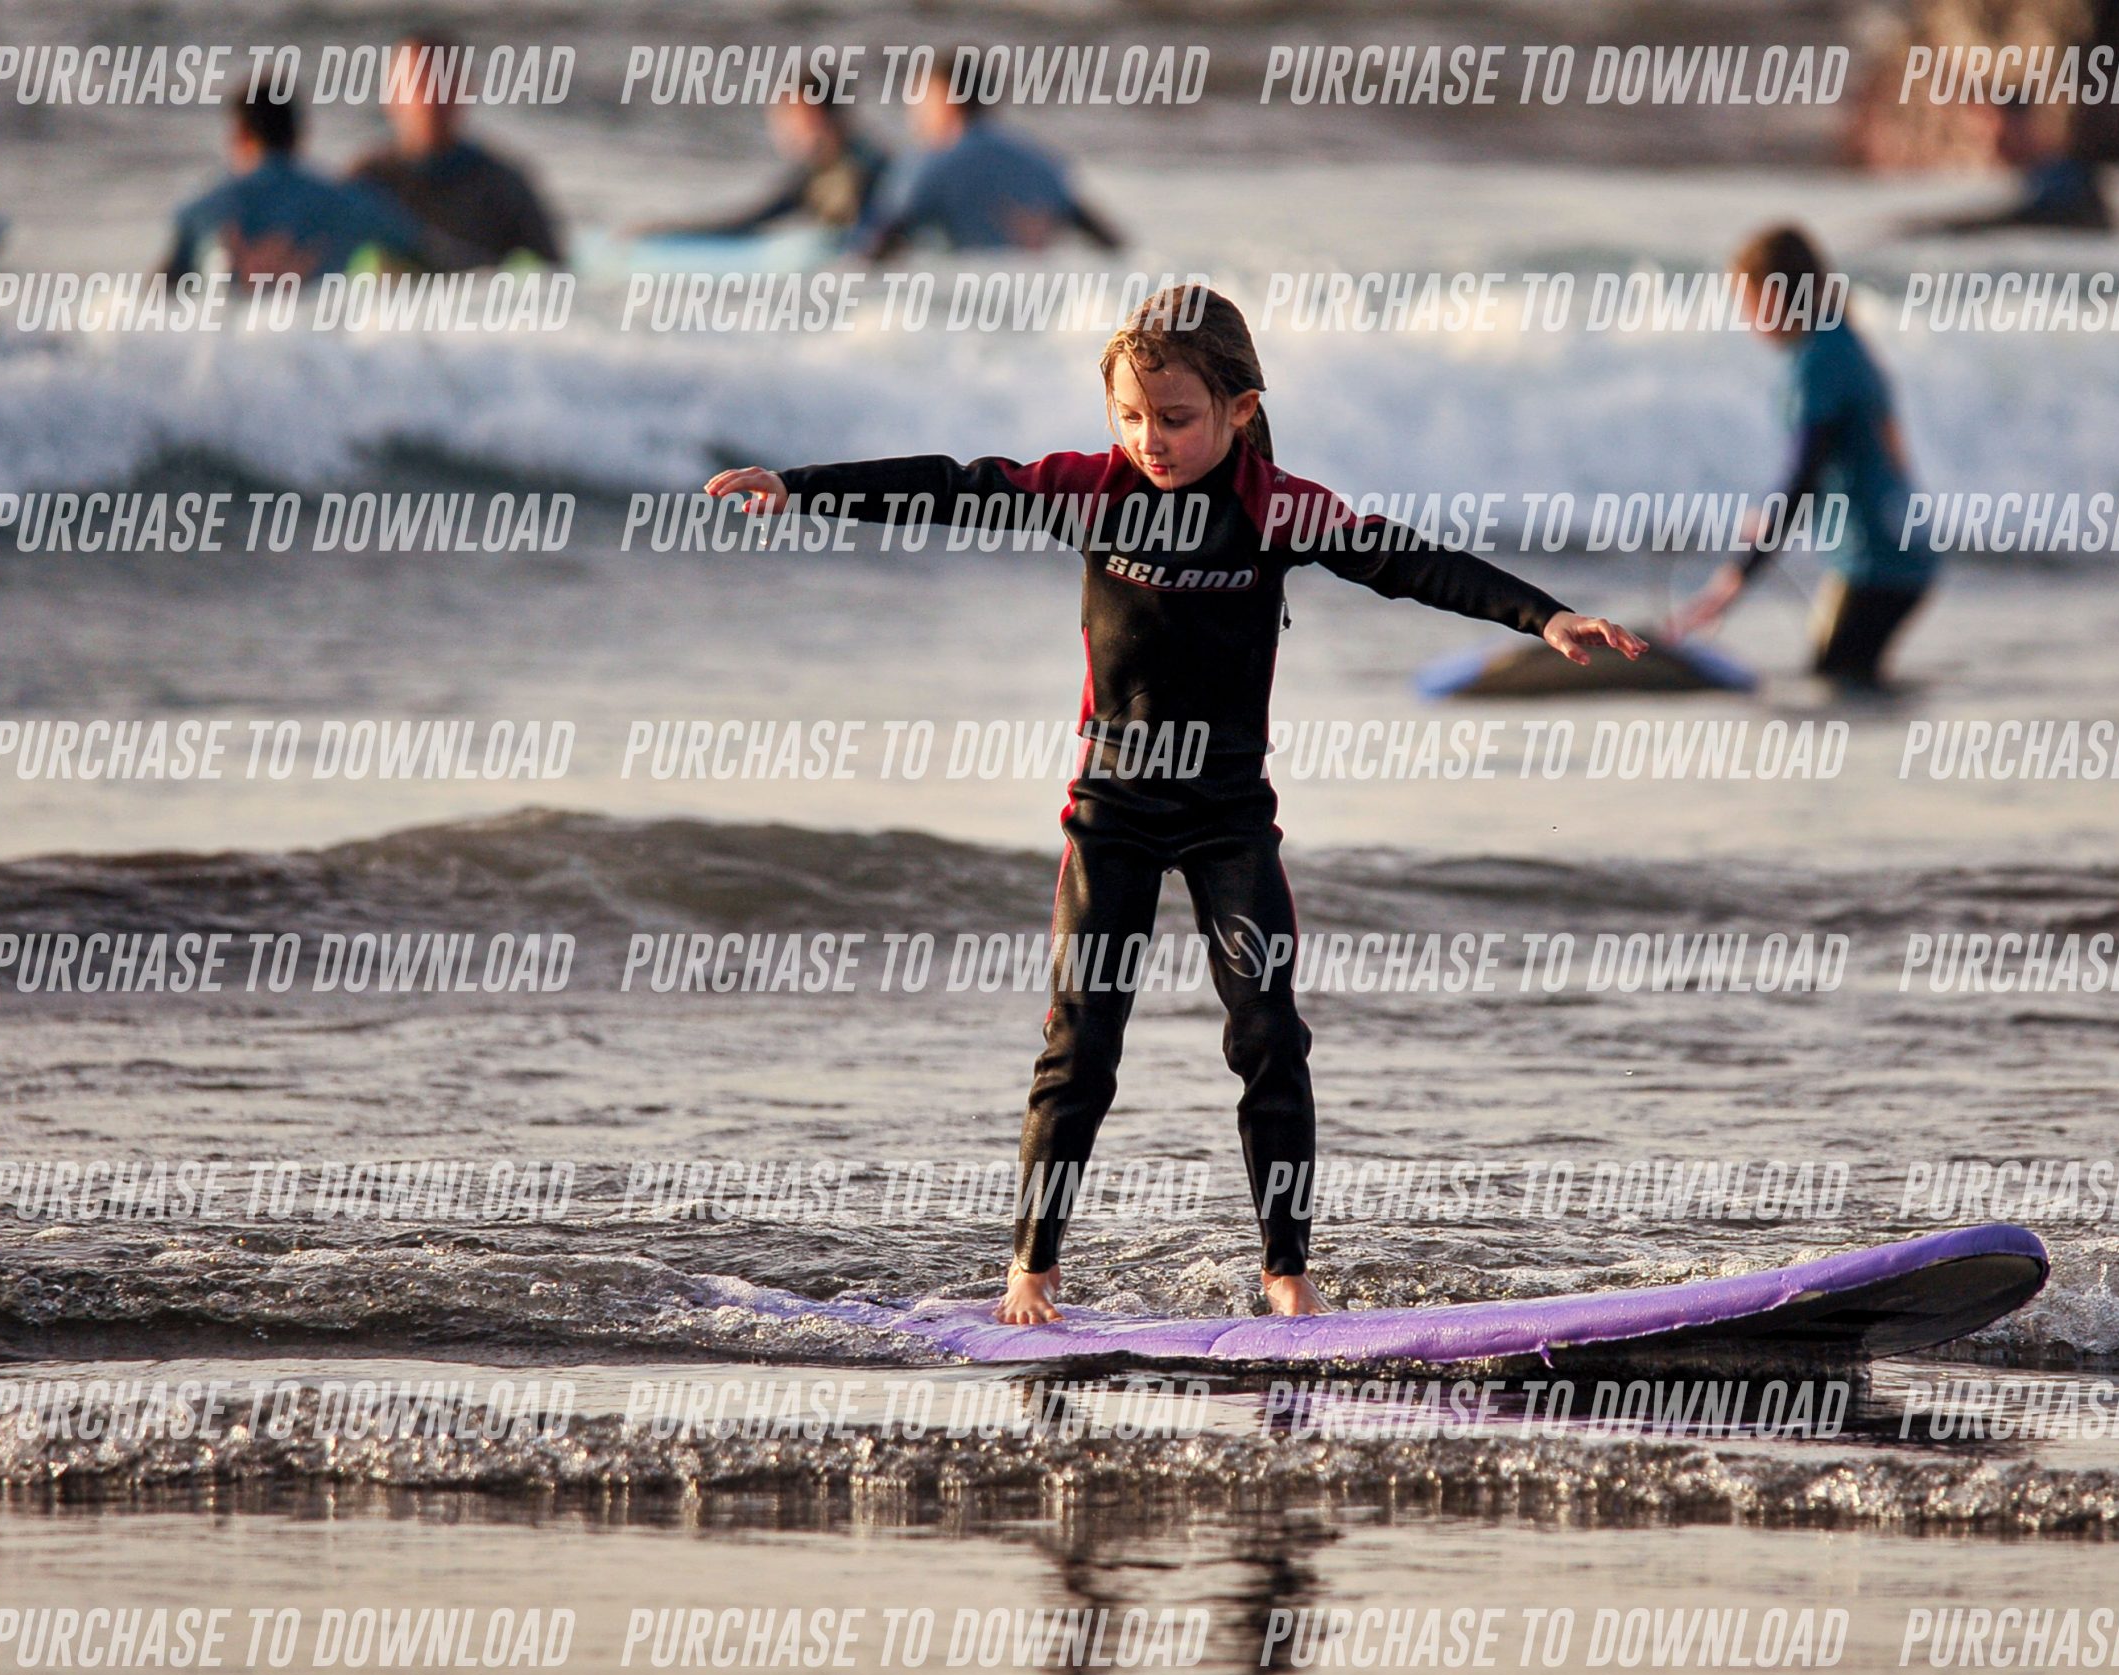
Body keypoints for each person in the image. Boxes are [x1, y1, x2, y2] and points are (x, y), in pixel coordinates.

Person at [704, 287, 1645, 1323]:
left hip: (1228, 814)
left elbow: (1405, 558)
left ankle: (1286, 1276)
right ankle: (1030, 1275)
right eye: (1130, 416)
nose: (1149, 439)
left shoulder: (1273, 506)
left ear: (1240, 409)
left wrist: (1542, 615)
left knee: (1269, 1034)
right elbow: (952, 484)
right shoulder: (1091, 489)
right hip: (1110, 809)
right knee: (1082, 1042)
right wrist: (798, 486)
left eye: (1176, 418)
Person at [1668, 226, 1939, 689]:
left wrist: (1738, 575)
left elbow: (1804, 476)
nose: (1746, 319)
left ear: (1774, 297)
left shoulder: (1819, 360)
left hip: (1876, 564)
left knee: (1835, 689)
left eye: (1747, 303)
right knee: (1849, 683)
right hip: (1901, 553)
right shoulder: (1839, 340)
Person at [163, 89, 437, 284]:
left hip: (228, 343)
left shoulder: (201, 211)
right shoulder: (353, 203)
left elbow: (158, 296)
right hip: (318, 342)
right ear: (299, 135)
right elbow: (430, 258)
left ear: (240, 135)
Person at [348, 33, 563, 268]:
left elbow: (552, 272)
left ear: (466, 90)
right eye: (419, 85)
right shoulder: (366, 182)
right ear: (392, 95)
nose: (432, 99)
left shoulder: (502, 186)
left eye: (445, 85)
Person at [850, 77, 1122, 259]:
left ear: (947, 100)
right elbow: (1101, 234)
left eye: (921, 98)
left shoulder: (930, 165)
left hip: (956, 301)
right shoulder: (1037, 158)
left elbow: (884, 237)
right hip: (1029, 297)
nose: (914, 111)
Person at [637, 87, 887, 239]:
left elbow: (752, 221)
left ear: (821, 117)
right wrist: (672, 230)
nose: (784, 130)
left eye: (793, 118)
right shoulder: (822, 171)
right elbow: (754, 218)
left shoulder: (863, 168)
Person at [1901, 99, 2113, 237]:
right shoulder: (2035, 173)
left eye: (2002, 132)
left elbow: (2049, 219)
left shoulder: (2067, 174)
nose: (1994, 139)